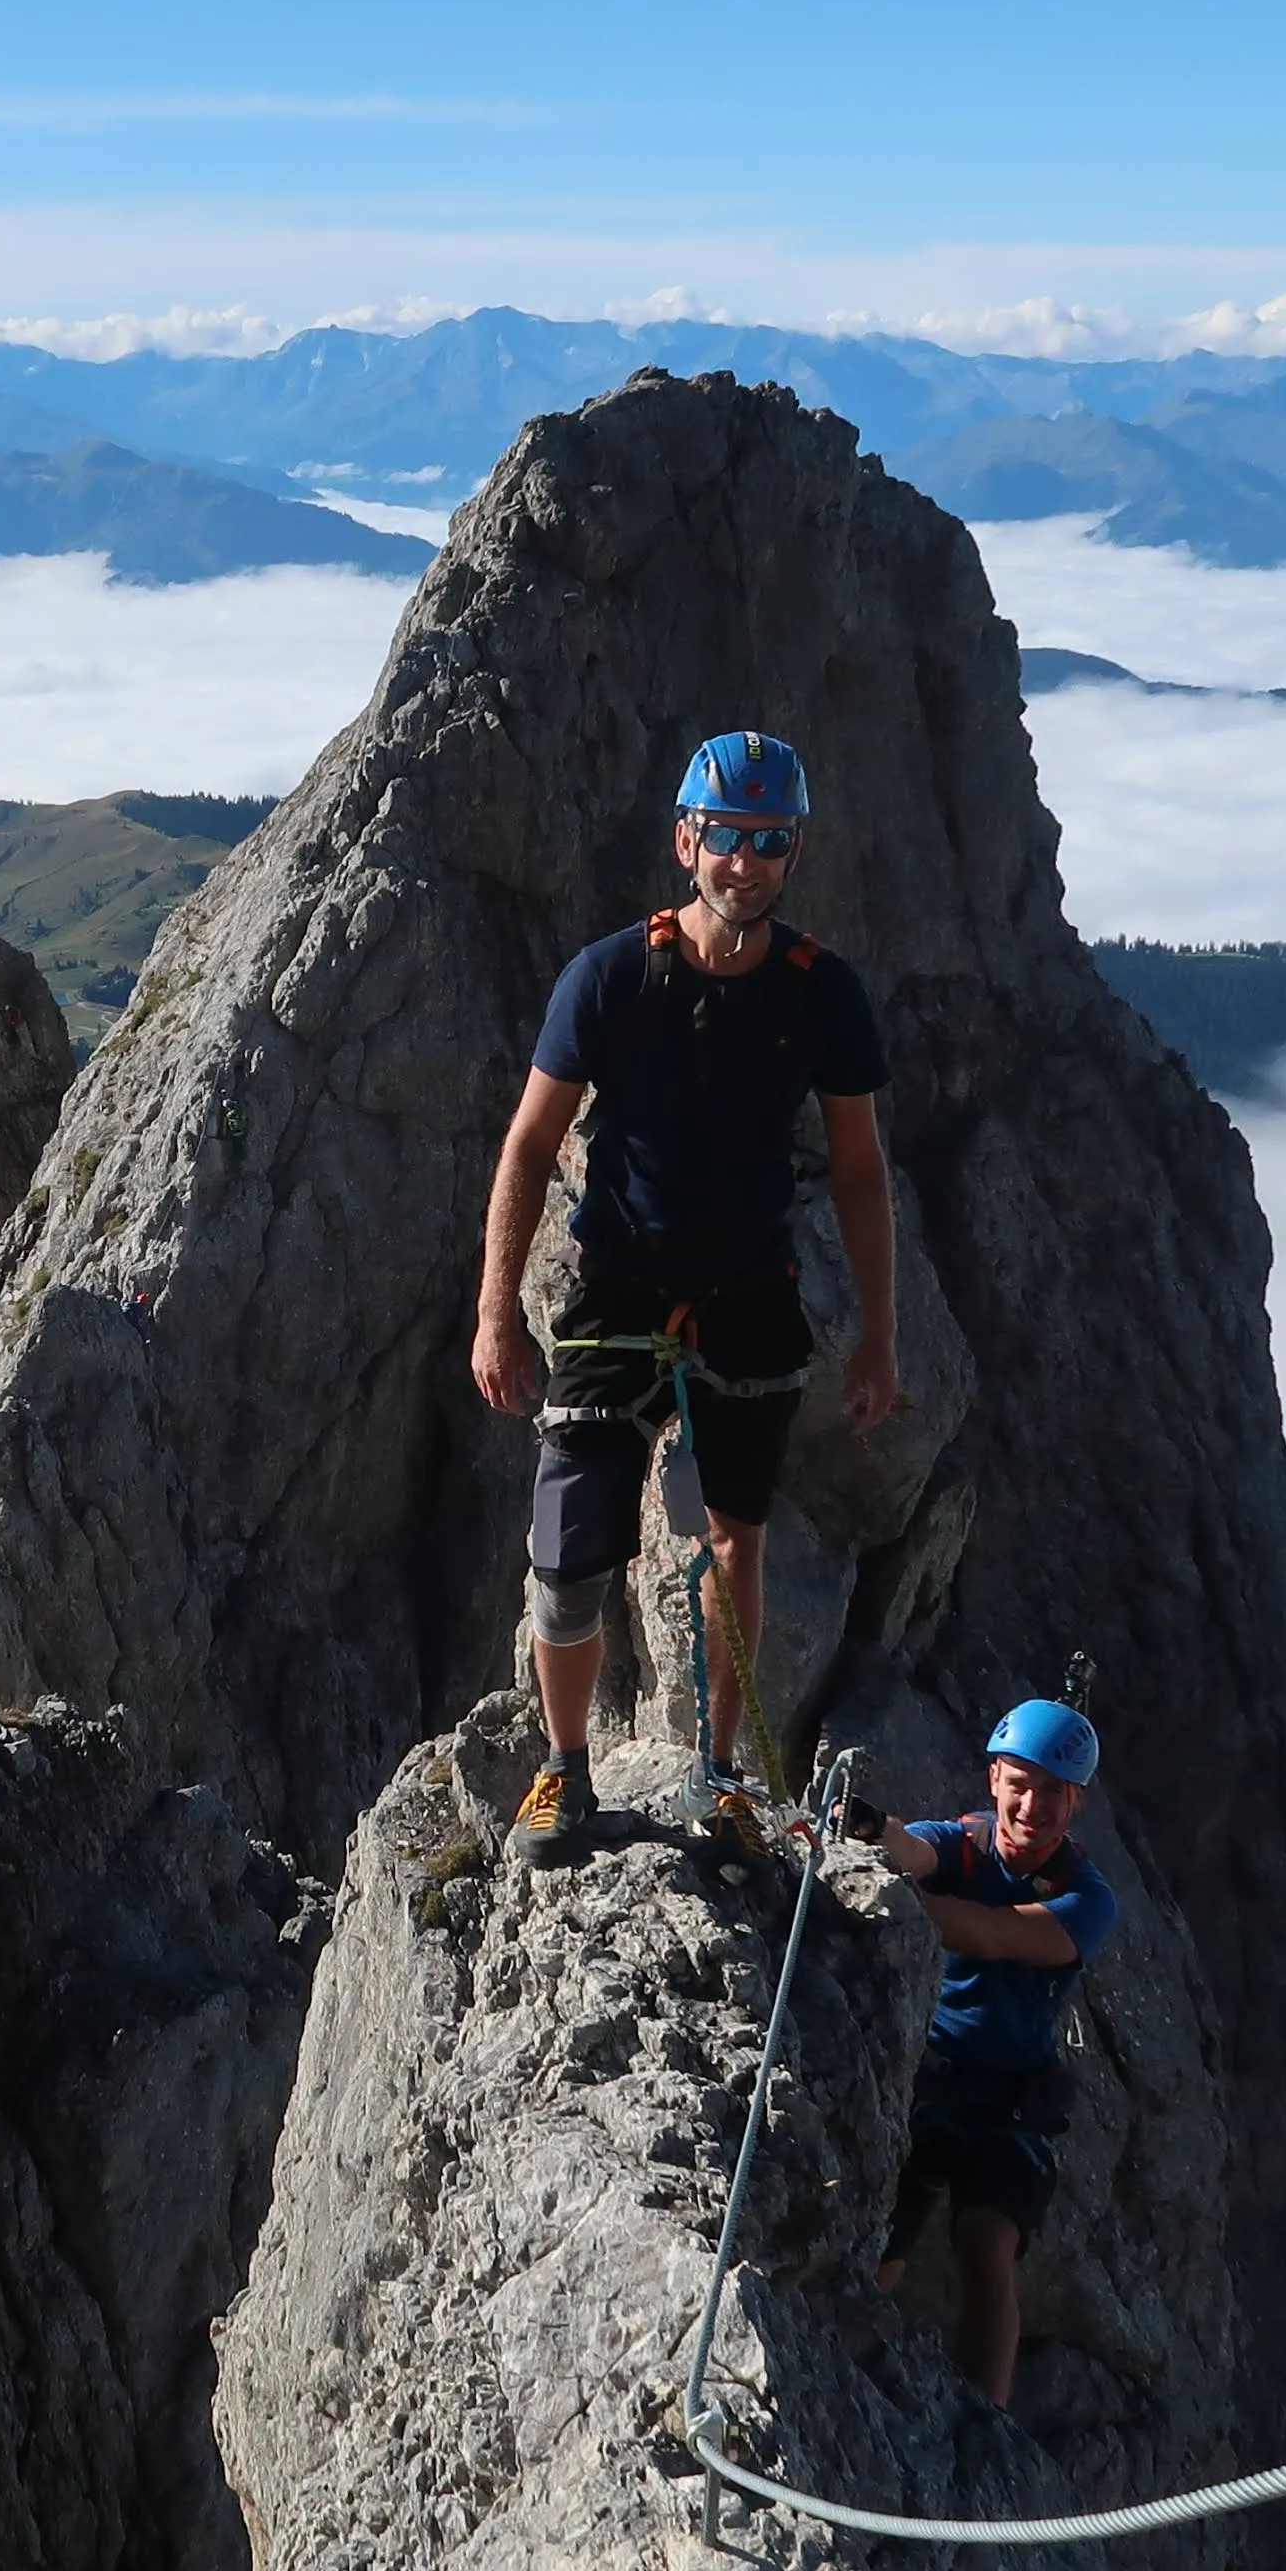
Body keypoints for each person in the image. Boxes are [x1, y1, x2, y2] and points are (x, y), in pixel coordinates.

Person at [469, 729, 902, 1859]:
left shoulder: (820, 994)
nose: (744, 862)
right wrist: (493, 1311)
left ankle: (717, 1775)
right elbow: (528, 1145)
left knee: (734, 1537)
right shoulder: (609, 977)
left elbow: (857, 1170)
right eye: (725, 837)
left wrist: (880, 1340)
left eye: (768, 842)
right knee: (569, 1543)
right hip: (618, 1282)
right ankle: (563, 1771)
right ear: (684, 840)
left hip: (749, 1289)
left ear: (793, 849)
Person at [845, 1699, 1118, 2409]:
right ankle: (840, 2371)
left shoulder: (1086, 1899)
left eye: (1052, 1791)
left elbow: (992, 1933)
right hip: (928, 2075)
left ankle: (983, 2423)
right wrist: (876, 1834)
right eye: (1020, 1784)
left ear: (1076, 1801)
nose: (1033, 1805)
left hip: (1008, 2095)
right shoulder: (964, 1842)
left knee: (987, 2241)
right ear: (994, 1778)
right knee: (880, 2236)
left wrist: (897, 1898)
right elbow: (918, 1850)